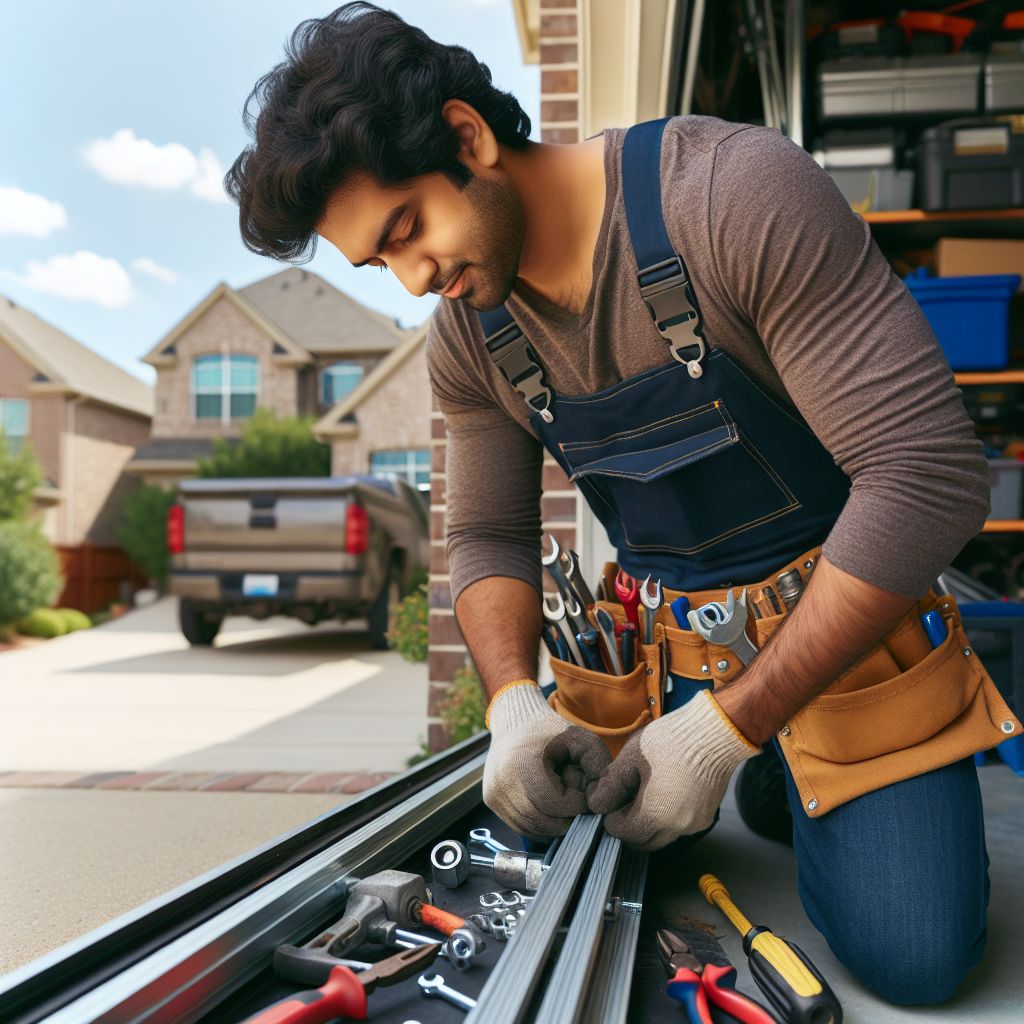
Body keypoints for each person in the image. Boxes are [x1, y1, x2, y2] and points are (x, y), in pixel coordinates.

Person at [226, 3, 1019, 1006]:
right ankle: (781, 768)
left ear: (468, 137)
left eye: (406, 229)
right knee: (543, 865)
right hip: (671, 654)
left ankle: (781, 765)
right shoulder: (472, 334)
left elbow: (926, 474)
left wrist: (723, 733)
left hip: (848, 632)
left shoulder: (729, 197)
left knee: (915, 958)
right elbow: (482, 535)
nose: (414, 276)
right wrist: (513, 705)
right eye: (380, 262)